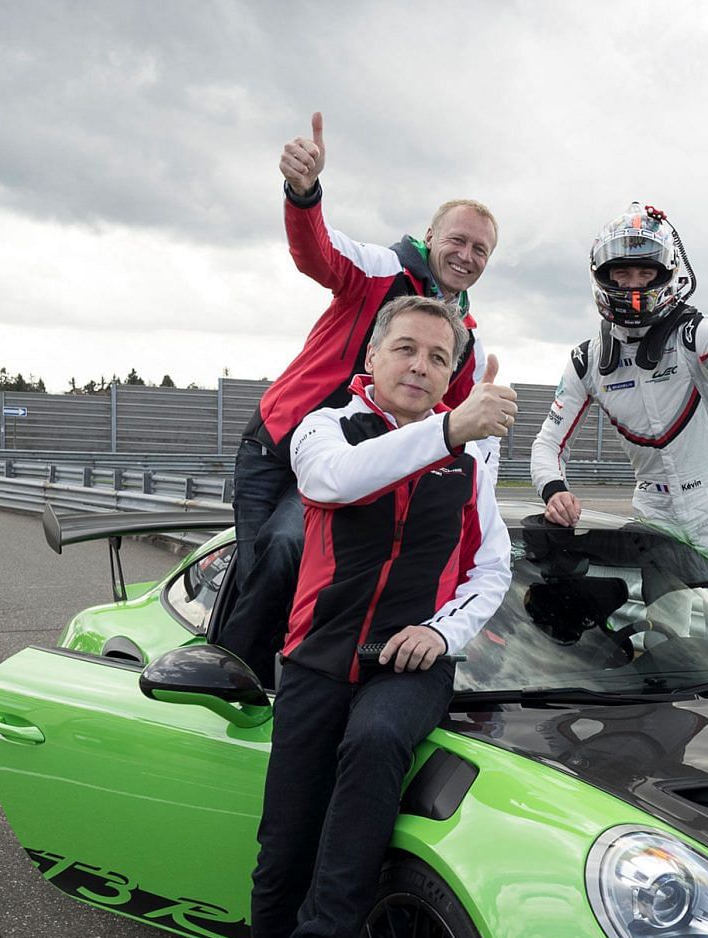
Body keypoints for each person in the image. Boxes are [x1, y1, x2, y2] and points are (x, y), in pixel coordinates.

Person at [225, 294, 518, 938]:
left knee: (380, 738)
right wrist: (454, 428)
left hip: (407, 662)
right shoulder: (328, 428)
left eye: (437, 356)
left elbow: (491, 566)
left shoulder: (470, 457)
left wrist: (443, 628)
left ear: (450, 368)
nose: (420, 366)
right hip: (317, 662)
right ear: (376, 356)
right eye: (406, 350)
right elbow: (334, 483)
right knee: (281, 859)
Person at [212, 111, 498, 681]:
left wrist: (480, 520)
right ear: (431, 236)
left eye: (481, 250)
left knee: (317, 576)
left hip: (360, 464)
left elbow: (458, 431)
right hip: (281, 444)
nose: (467, 255)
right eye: (458, 240)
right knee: (274, 557)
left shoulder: (464, 339)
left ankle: (294, 683)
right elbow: (316, 251)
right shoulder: (382, 267)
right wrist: (303, 191)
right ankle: (228, 676)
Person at [528, 203, 708, 580]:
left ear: (666, 274)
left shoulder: (693, 333)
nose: (634, 283)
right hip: (652, 511)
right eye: (622, 273)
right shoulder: (586, 360)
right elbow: (547, 444)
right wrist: (554, 490)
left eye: (645, 272)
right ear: (603, 277)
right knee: (666, 632)